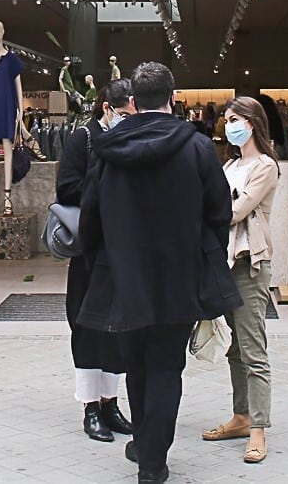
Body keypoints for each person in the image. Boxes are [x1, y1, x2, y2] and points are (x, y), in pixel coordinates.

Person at [78, 62, 240, 483]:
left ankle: (145, 447)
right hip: (179, 275)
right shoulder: (199, 148)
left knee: (136, 365)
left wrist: (100, 260)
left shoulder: (108, 148)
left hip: (123, 276)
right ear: (173, 96)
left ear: (132, 101)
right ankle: (152, 459)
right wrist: (207, 258)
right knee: (167, 367)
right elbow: (219, 212)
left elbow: (90, 215)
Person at [56, 80, 136, 443]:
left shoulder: (130, 138)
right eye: (124, 114)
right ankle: (90, 407)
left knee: (120, 327)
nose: (128, 121)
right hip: (90, 249)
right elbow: (66, 188)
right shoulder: (84, 139)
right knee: (87, 326)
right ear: (108, 109)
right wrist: (104, 172)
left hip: (123, 247)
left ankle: (110, 402)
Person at [202, 96, 279, 465]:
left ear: (252, 123)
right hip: (224, 263)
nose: (228, 124)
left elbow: (235, 210)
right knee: (234, 349)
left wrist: (210, 208)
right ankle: (241, 416)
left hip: (249, 265)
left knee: (253, 350)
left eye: (234, 118)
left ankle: (259, 429)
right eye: (226, 119)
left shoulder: (265, 166)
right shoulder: (230, 164)